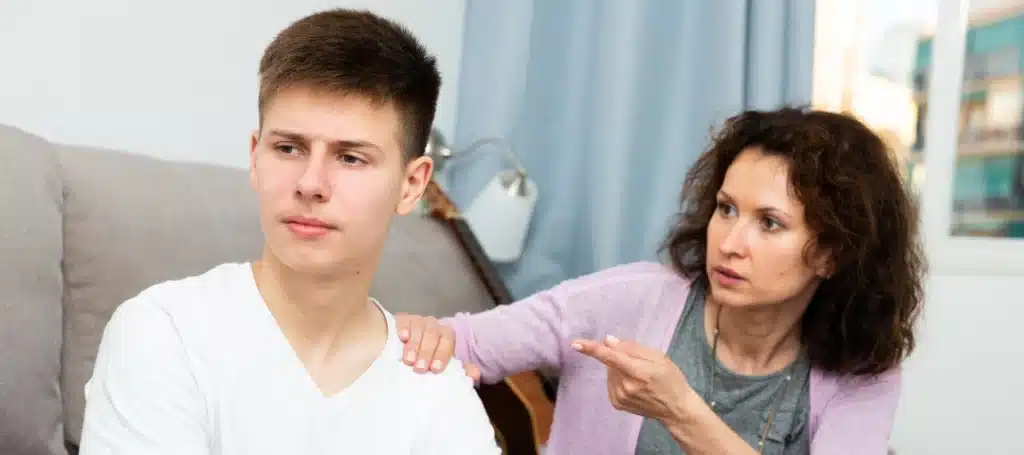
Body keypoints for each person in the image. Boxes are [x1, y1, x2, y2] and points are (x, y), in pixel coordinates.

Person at [78, 9, 500, 455]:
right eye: (288, 148)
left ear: (411, 184)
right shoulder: (163, 333)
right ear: (256, 157)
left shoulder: (435, 386)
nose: (310, 184)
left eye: (350, 157)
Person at [397, 107, 924, 454]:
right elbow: (465, 341)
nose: (731, 240)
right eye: (725, 209)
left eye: (769, 223)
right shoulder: (632, 300)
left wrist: (680, 409)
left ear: (831, 255)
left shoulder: (863, 374)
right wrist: (419, 338)